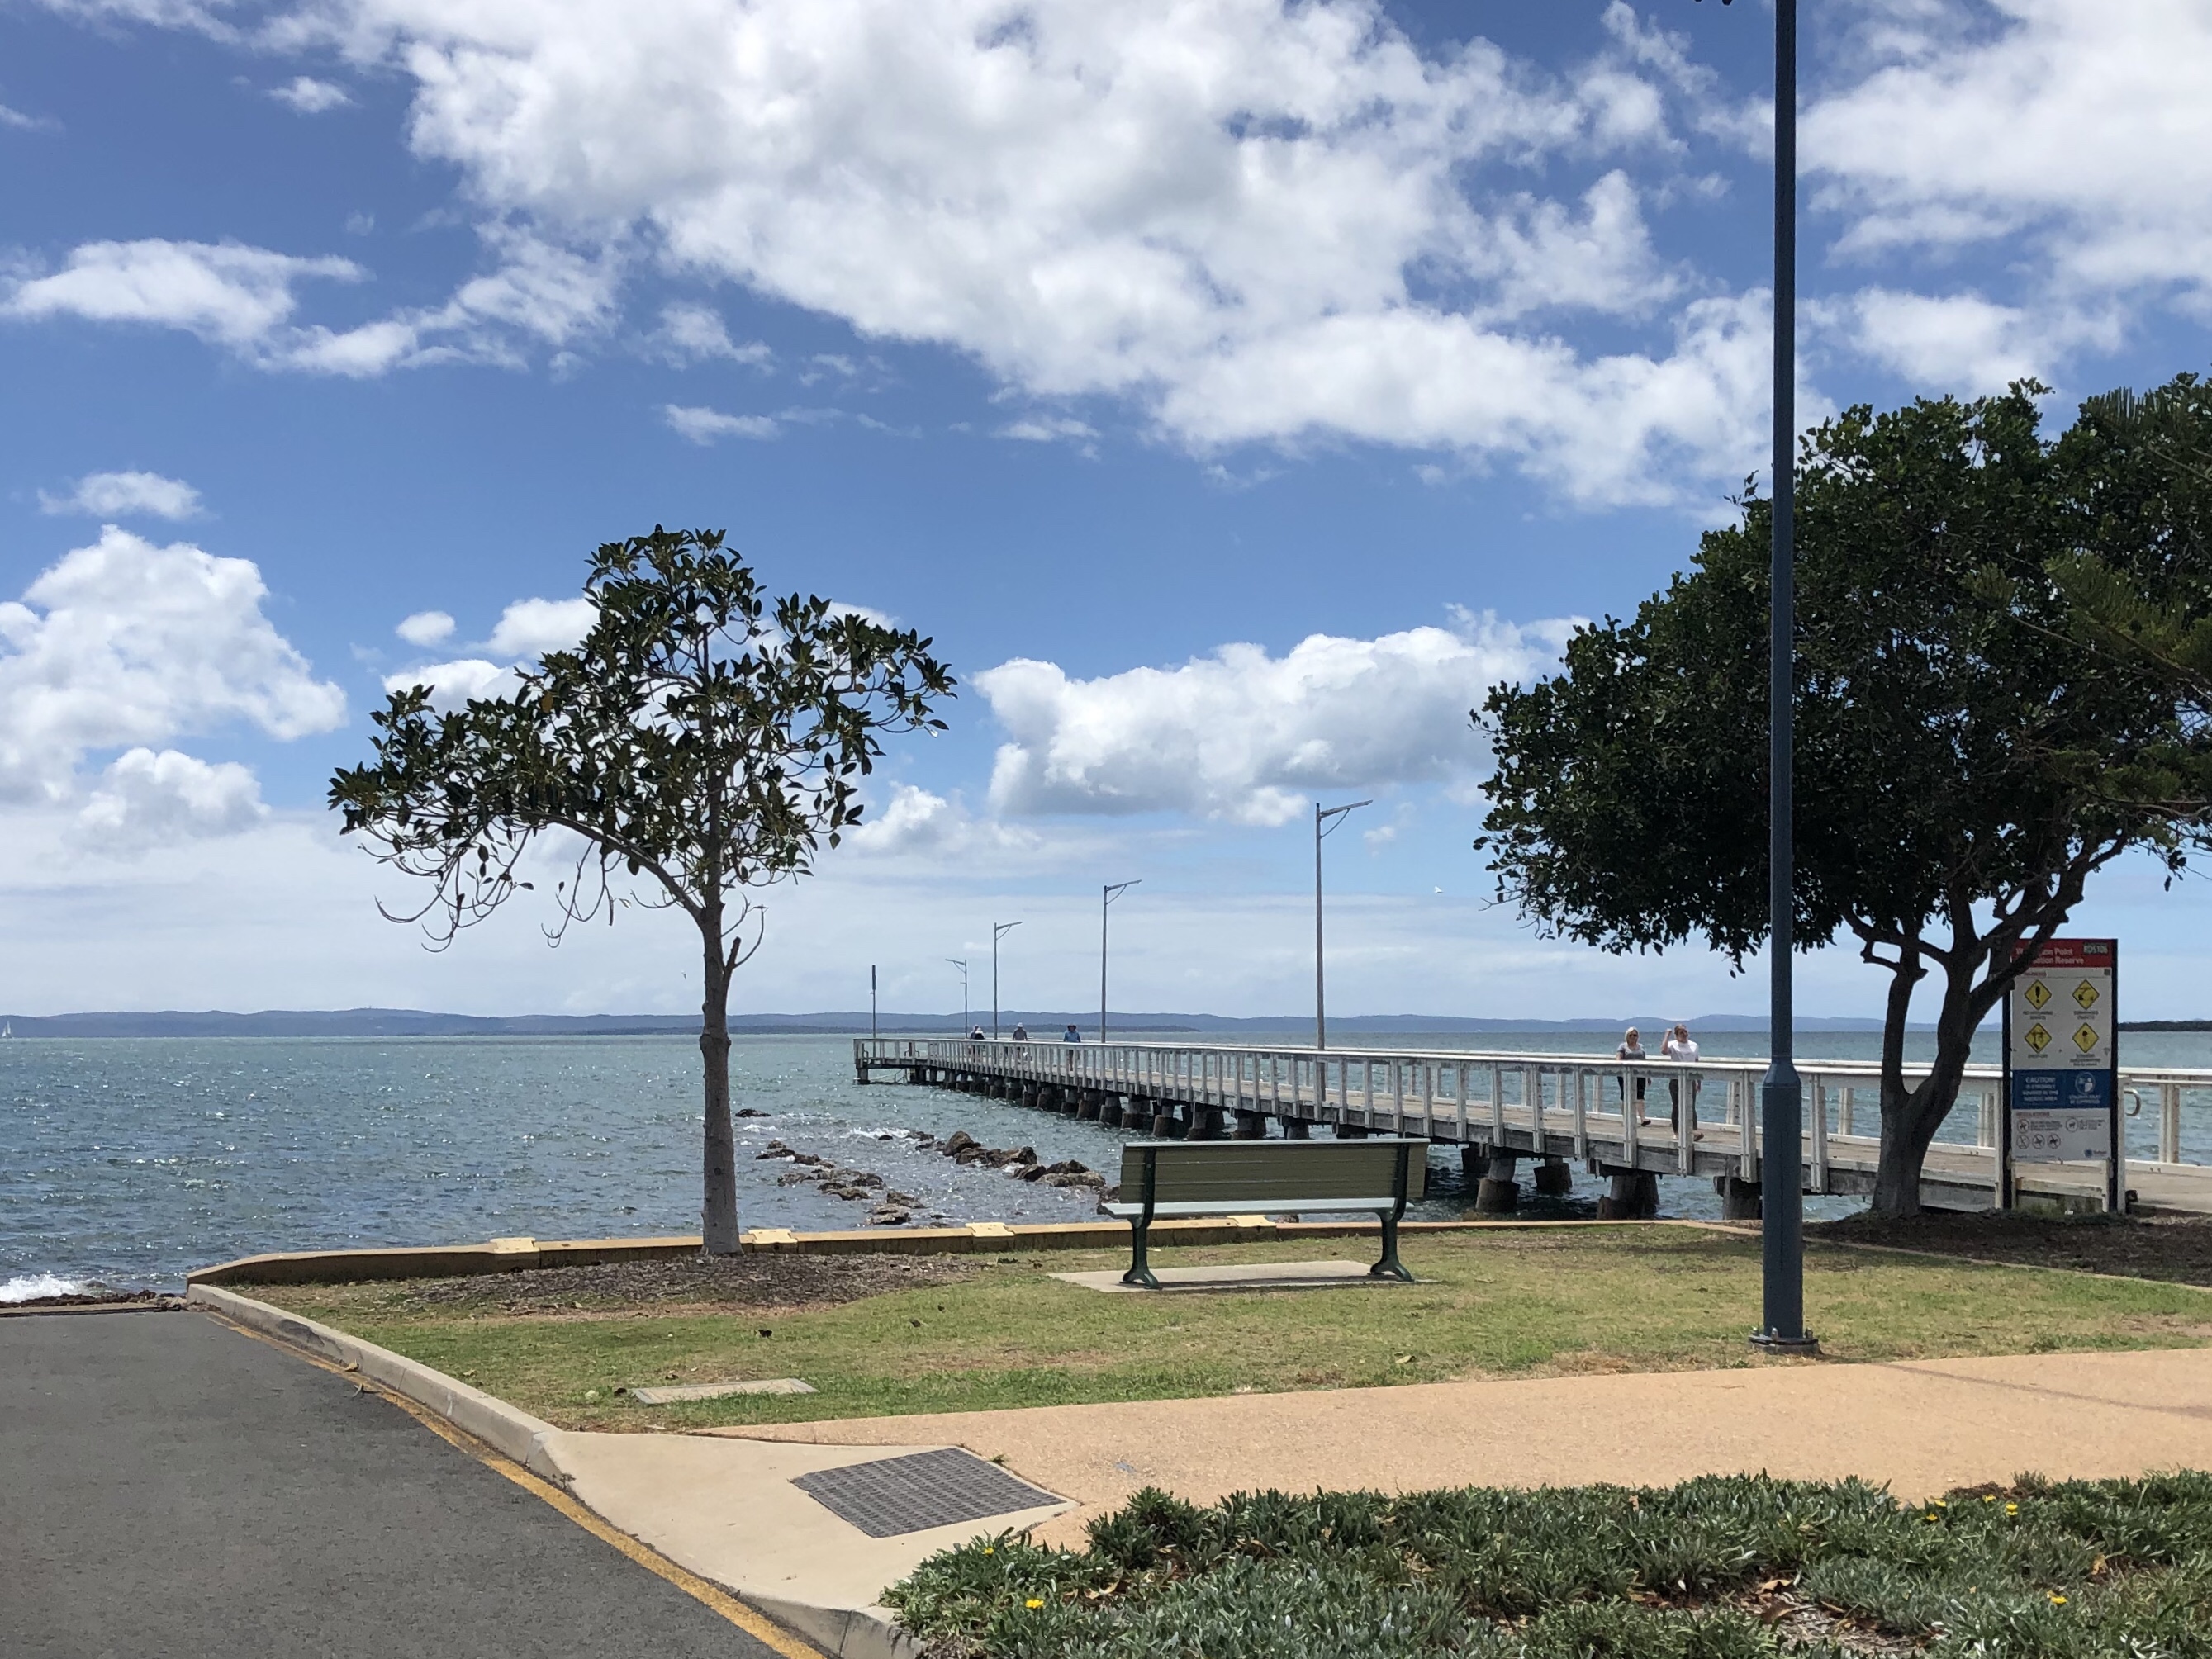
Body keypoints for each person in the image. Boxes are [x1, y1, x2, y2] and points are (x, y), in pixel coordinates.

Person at [1661, 1022, 1700, 1130]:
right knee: (1677, 1105)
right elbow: (1663, 1051)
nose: (1684, 1034)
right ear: (1677, 1035)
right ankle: (1676, 1131)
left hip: (1690, 1079)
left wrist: (1698, 1081)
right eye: (1681, 1032)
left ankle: (1694, 1131)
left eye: (1685, 1031)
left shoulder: (1694, 1045)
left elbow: (1696, 1062)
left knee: (1691, 1105)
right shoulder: (1673, 1045)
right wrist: (1667, 1036)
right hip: (1676, 1079)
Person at [1616, 1026, 1650, 1123]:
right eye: (1630, 1035)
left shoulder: (1641, 1047)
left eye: (1635, 1035)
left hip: (1640, 1074)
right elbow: (1618, 1059)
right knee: (1625, 1096)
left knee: (1640, 1096)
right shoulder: (1623, 1047)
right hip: (1625, 1075)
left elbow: (1644, 1061)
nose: (1633, 1037)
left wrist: (1648, 1075)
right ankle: (1626, 1118)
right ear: (1627, 1036)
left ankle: (1643, 1118)